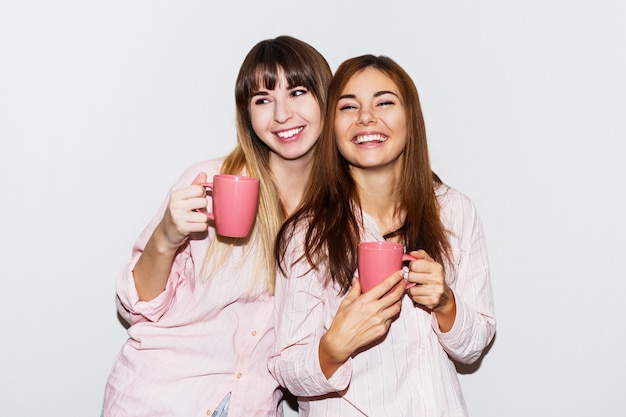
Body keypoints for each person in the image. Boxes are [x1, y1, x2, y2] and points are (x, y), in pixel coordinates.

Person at [102, 35, 332, 417]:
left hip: (251, 407)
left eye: (297, 91)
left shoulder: (338, 218)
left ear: (326, 97)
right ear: (247, 115)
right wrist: (165, 238)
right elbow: (136, 307)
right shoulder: (209, 180)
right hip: (160, 399)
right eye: (263, 100)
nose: (281, 114)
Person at [270, 55, 496, 416]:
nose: (365, 117)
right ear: (333, 126)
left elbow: (474, 345)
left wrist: (445, 303)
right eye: (348, 106)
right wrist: (333, 347)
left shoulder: (455, 211)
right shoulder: (306, 233)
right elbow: (285, 367)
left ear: (411, 120)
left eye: (384, 102)